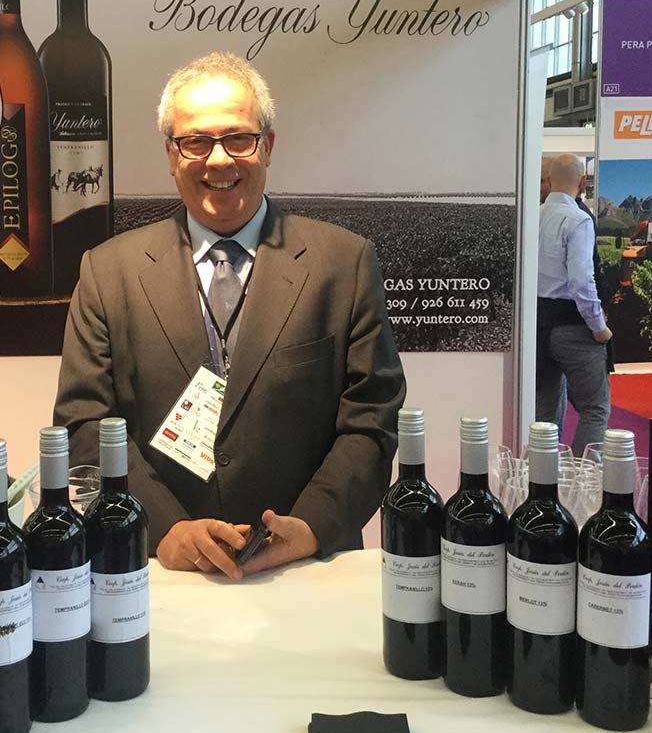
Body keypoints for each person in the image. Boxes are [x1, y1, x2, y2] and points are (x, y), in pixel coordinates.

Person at [54, 51, 406, 581]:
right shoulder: (108, 272)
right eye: (195, 142)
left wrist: (310, 526)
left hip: (305, 573)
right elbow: (84, 423)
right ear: (171, 155)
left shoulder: (344, 264)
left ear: (268, 145)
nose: (218, 160)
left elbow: (371, 421)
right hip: (161, 573)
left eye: (238, 138)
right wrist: (162, 528)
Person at [536, 154, 612, 451]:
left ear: (548, 180)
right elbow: (581, 281)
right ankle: (584, 477)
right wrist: (598, 326)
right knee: (595, 408)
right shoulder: (578, 219)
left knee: (544, 415)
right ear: (582, 182)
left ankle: (539, 477)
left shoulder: (534, 216)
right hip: (574, 327)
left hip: (539, 326)